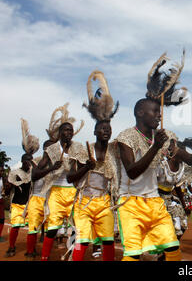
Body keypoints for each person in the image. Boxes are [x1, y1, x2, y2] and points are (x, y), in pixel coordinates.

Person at [114, 51, 188, 261]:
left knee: (173, 249)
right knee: (134, 255)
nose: (159, 114)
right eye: (154, 111)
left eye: (160, 111)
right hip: (130, 202)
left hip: (154, 201)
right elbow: (133, 171)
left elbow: (181, 159)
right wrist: (156, 147)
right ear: (139, 113)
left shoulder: (162, 137)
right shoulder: (126, 136)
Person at [67, 70, 119, 261]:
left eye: (109, 128)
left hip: (104, 203)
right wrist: (86, 167)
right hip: (84, 203)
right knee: (82, 240)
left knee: (107, 241)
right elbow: (70, 178)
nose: (106, 131)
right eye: (102, 129)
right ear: (96, 131)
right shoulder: (83, 150)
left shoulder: (114, 152)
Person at [32, 103, 85, 261]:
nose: (69, 132)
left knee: (79, 227)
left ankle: (74, 255)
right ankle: (45, 257)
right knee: (53, 228)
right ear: (60, 133)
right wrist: (51, 168)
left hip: (74, 192)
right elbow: (34, 174)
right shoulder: (52, 150)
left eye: (71, 130)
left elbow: (82, 168)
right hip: (56, 192)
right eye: (66, 130)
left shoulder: (78, 148)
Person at [4, 118, 40, 257]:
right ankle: (11, 247)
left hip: (30, 204)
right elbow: (7, 190)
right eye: (27, 161)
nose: (29, 164)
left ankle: (31, 250)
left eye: (30, 161)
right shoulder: (15, 172)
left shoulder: (34, 171)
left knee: (33, 228)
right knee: (16, 226)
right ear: (22, 161)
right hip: (18, 204)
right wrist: (9, 184)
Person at [24, 139, 55, 259]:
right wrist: (50, 169)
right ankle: (30, 252)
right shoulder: (36, 162)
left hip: (50, 199)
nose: (51, 150)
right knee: (33, 227)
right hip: (36, 198)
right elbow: (34, 176)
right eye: (48, 148)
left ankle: (45, 253)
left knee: (51, 228)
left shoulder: (57, 162)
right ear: (44, 149)